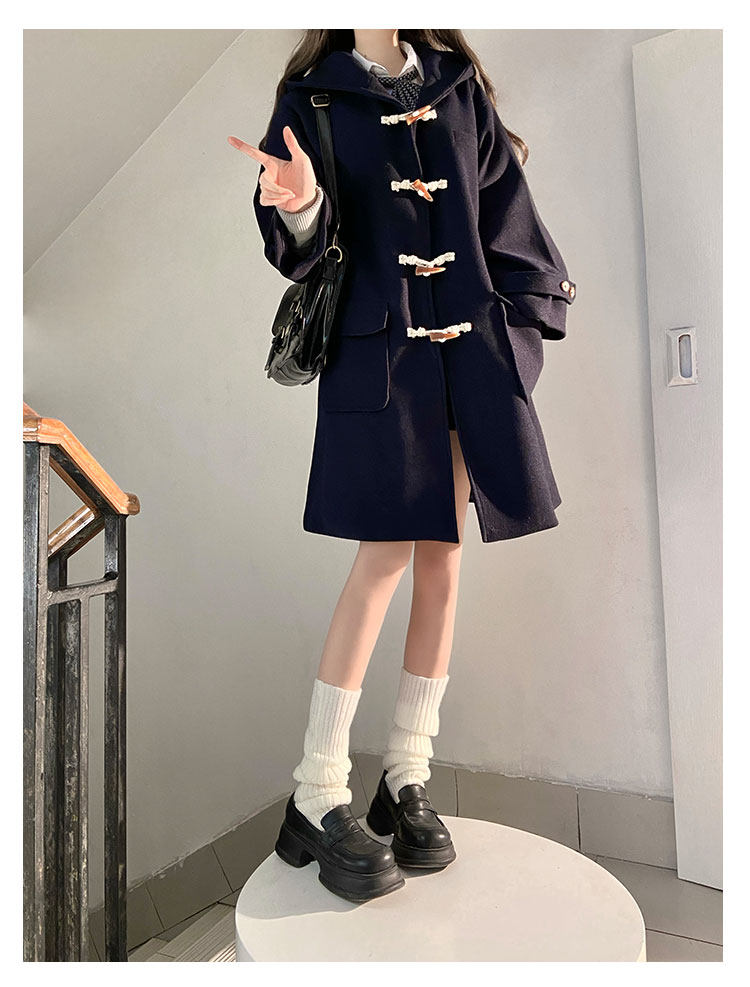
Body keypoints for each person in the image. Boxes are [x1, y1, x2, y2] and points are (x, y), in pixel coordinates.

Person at [228, 29, 576, 903]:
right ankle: (317, 790)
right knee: (383, 558)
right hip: (381, 362)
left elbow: (508, 215)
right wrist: (301, 205)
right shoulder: (311, 98)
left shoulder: (457, 88)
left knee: (444, 562)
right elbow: (300, 248)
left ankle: (406, 773)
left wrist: (516, 338)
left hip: (466, 363)